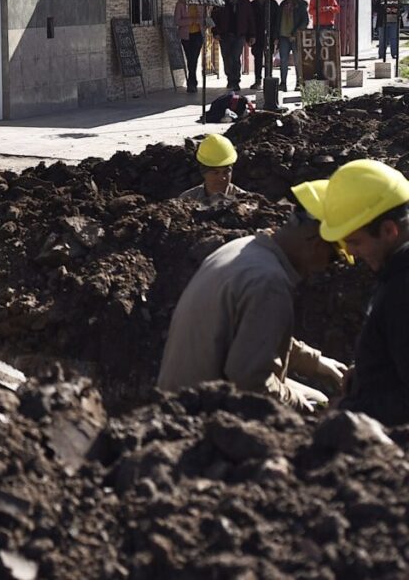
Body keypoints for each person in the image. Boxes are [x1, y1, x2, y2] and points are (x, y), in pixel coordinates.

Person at [159, 187, 348, 412]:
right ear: (318, 244)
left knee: (315, 395)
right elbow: (251, 383)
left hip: (180, 394)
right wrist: (306, 410)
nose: (326, 267)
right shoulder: (269, 283)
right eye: (335, 257)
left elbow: (256, 333)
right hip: (200, 415)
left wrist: (315, 362)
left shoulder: (246, 248)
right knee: (317, 410)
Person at [310, 159, 409, 425]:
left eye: (355, 241)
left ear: (389, 230)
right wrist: (367, 370)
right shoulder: (395, 270)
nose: (350, 252)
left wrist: (350, 410)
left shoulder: (403, 292)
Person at [210, 0, 256, 91]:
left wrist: (252, 35)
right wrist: (215, 32)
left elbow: (250, 19)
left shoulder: (244, 2)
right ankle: (230, 78)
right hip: (225, 35)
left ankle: (235, 81)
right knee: (226, 58)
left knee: (235, 57)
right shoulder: (220, 2)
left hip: (239, 35)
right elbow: (213, 18)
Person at [179, 133, 247, 203]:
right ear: (203, 172)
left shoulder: (244, 202)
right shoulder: (187, 200)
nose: (222, 178)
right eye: (216, 173)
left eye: (226, 172)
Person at [277, 0, 309, 92]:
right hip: (283, 36)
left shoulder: (301, 5)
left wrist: (295, 33)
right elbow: (278, 21)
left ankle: (299, 83)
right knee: (283, 61)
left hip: (295, 37)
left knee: (297, 61)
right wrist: (277, 36)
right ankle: (283, 83)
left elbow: (305, 21)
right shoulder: (282, 4)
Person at [174, 0, 204, 94]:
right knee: (190, 58)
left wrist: (201, 21)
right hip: (186, 35)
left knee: (194, 58)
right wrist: (191, 21)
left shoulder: (199, 3)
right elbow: (177, 21)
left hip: (198, 34)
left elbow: (204, 18)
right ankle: (192, 81)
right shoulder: (180, 4)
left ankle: (192, 81)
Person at [251, 0, 280, 91]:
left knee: (268, 59)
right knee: (257, 58)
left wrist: (276, 37)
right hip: (257, 36)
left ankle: (268, 80)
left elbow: (277, 21)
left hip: (270, 36)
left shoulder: (273, 4)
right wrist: (250, 36)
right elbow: (250, 21)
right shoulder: (252, 5)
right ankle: (258, 81)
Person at [377, 0, 402, 64]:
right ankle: (381, 54)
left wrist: (397, 10)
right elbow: (376, 9)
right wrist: (384, 9)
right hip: (383, 21)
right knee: (382, 39)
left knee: (393, 38)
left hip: (393, 21)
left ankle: (394, 54)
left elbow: (401, 8)